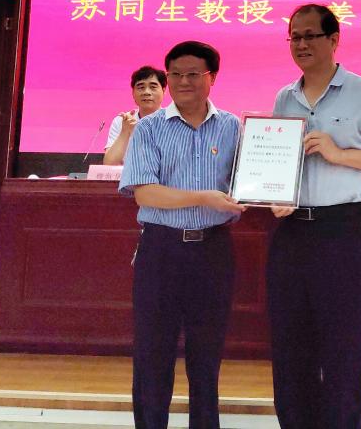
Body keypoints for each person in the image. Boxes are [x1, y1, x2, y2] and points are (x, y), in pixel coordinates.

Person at [267, 4, 361, 429]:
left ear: (333, 40)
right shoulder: (284, 97)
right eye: (294, 36)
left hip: (341, 230)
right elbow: (279, 161)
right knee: (291, 345)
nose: (301, 44)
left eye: (310, 35)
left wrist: (338, 153)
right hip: (291, 231)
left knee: (343, 345)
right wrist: (274, 193)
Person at [118, 41, 245, 429]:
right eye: (175, 74)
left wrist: (275, 194)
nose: (183, 81)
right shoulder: (149, 129)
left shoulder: (232, 127)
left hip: (213, 250)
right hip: (162, 249)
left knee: (207, 356)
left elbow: (248, 182)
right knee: (153, 354)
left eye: (193, 74)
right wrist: (203, 196)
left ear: (212, 78)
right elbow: (145, 192)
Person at [103, 65, 167, 166]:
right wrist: (125, 132)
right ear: (133, 93)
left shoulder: (175, 121)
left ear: (163, 91)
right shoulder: (122, 121)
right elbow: (109, 164)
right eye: (141, 87)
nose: (146, 92)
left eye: (153, 87)